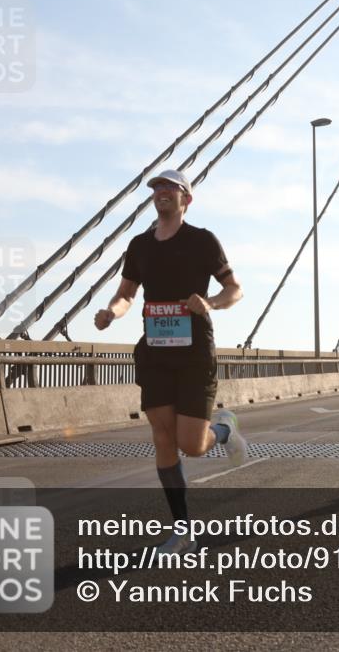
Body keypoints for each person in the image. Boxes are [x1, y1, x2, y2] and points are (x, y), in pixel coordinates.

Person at [94, 169, 248, 555]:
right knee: (163, 439)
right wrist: (112, 312)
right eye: (157, 188)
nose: (161, 192)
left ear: (186, 200)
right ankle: (183, 533)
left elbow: (235, 289)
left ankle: (225, 430)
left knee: (192, 446)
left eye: (170, 188)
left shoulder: (202, 241)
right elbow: (126, 293)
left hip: (195, 352)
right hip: (156, 353)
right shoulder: (140, 245)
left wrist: (210, 303)